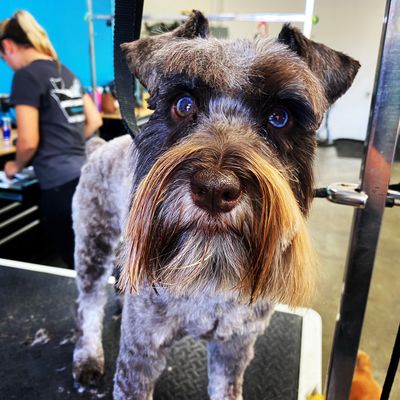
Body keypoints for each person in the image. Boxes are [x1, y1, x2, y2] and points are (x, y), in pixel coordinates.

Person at [0, 10, 103, 268]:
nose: (7, 64)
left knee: (76, 264)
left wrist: (15, 166)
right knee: (94, 257)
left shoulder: (25, 76)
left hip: (58, 186)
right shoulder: (64, 71)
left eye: (3, 58)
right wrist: (68, 140)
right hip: (84, 175)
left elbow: (28, 141)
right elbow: (94, 120)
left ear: (8, 46)